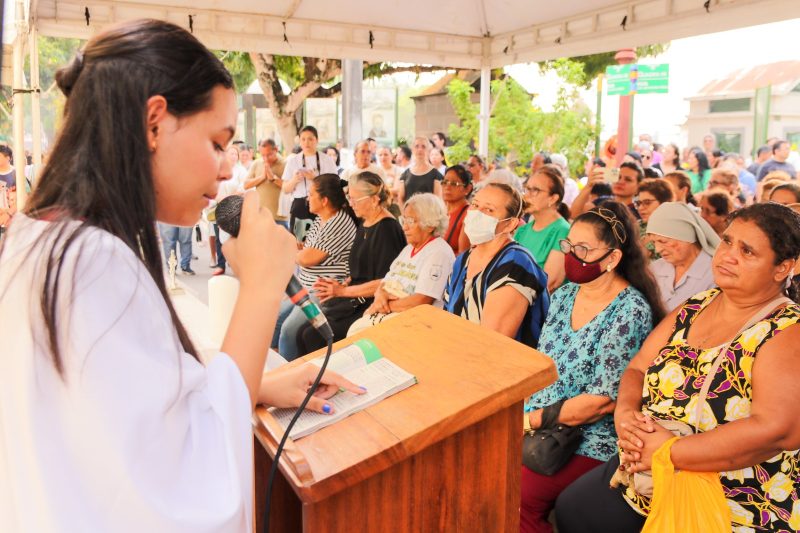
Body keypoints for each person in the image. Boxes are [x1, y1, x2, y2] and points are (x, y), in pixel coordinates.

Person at [0, 20, 364, 533]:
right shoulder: (93, 260)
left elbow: (125, 407)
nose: (225, 169)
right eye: (217, 143)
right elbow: (178, 484)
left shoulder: (42, 237)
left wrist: (254, 386)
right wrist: (261, 284)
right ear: (154, 123)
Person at [556, 203, 800, 533]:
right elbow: (638, 369)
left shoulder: (786, 330)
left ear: (782, 267)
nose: (727, 255)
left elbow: (778, 429)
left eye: (747, 251)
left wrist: (670, 451)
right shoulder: (699, 305)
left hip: (731, 500)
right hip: (651, 472)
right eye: (727, 241)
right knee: (572, 507)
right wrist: (626, 417)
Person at [521, 202, 663, 533]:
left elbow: (603, 400)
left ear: (612, 259)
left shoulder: (628, 311)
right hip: (540, 421)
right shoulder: (566, 294)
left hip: (588, 438)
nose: (571, 255)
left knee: (517, 493)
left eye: (582, 249)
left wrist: (529, 421)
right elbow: (545, 360)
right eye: (569, 245)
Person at [296, 172, 406, 354]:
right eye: (349, 197)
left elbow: (386, 282)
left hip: (371, 304)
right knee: (304, 333)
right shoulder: (366, 222)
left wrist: (342, 291)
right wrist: (342, 284)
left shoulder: (387, 229)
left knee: (311, 335)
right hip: (353, 298)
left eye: (355, 199)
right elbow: (358, 270)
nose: (350, 203)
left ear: (374, 199)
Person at [444, 183, 549, 348]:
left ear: (510, 224)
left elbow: (491, 342)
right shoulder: (463, 260)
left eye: (489, 210)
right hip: (457, 354)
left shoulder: (516, 264)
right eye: (475, 205)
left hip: (500, 367)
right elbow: (446, 320)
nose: (477, 213)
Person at [270, 173, 357, 361]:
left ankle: (289, 373)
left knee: (288, 331)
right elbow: (307, 250)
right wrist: (299, 250)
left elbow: (308, 259)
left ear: (324, 200)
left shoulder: (338, 223)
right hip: (306, 285)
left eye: (311, 194)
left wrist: (290, 250)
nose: (307, 198)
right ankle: (273, 363)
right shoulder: (321, 218)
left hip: (321, 291)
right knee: (274, 318)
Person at [347, 193, 455, 335]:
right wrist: (379, 297)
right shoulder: (408, 248)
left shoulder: (439, 253)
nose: (404, 227)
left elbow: (421, 300)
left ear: (430, 225)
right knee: (355, 330)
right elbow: (384, 282)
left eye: (410, 221)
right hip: (391, 313)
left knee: (358, 334)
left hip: (416, 323)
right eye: (403, 220)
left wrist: (383, 307)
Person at [646, 202, 719, 312]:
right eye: (654, 242)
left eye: (663, 241)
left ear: (686, 236)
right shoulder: (654, 269)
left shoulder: (715, 275)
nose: (658, 249)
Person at [515, 164, 571, 292]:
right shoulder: (522, 230)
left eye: (535, 190)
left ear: (553, 198)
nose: (527, 195)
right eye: (526, 189)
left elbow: (550, 283)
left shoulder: (563, 231)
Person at [281, 125, 338, 240]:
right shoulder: (293, 161)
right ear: (299, 141)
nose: (307, 142)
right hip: (301, 205)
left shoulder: (327, 160)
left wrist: (315, 178)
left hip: (323, 206)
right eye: (303, 139)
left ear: (317, 140)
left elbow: (335, 186)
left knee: (322, 242)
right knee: (299, 242)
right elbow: (285, 189)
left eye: (310, 139)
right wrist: (295, 180)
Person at [243, 138, 288, 228]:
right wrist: (262, 177)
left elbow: (290, 187)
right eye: (262, 155)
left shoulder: (285, 163)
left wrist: (273, 179)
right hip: (260, 215)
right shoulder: (256, 163)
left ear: (276, 149)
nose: (265, 158)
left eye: (269, 155)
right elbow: (246, 185)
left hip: (280, 217)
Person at [635, 179, 675, 260]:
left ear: (665, 203)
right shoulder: (636, 227)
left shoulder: (675, 231)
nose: (640, 208)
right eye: (639, 203)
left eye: (647, 202)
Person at [397, 137, 443, 206]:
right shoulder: (405, 174)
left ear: (428, 150)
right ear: (412, 149)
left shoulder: (436, 174)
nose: (420, 149)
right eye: (416, 146)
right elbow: (400, 199)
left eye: (423, 146)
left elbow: (438, 200)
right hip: (408, 215)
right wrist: (404, 215)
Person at [441, 164, 473, 255]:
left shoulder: (468, 214)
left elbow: (463, 256)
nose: (447, 187)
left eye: (454, 184)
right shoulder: (439, 211)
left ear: (467, 188)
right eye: (445, 182)